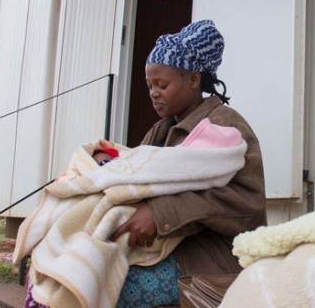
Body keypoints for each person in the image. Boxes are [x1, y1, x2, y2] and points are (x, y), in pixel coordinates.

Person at [109, 19, 266, 307]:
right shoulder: (161, 130)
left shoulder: (227, 127)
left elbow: (247, 203)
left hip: (210, 260)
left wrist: (160, 213)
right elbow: (136, 172)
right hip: (168, 250)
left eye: (162, 84)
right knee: (83, 270)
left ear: (194, 80)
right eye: (150, 85)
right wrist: (105, 162)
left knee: (114, 287)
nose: (153, 92)